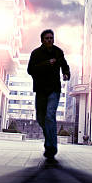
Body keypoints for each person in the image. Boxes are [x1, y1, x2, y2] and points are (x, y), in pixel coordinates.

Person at [27, 29, 70, 161]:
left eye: (51, 38)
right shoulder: (36, 53)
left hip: (54, 89)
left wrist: (66, 73)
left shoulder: (58, 52)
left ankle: (52, 147)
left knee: (50, 116)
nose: (49, 40)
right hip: (40, 90)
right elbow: (30, 70)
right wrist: (46, 64)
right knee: (41, 118)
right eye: (47, 38)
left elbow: (64, 64)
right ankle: (49, 141)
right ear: (42, 40)